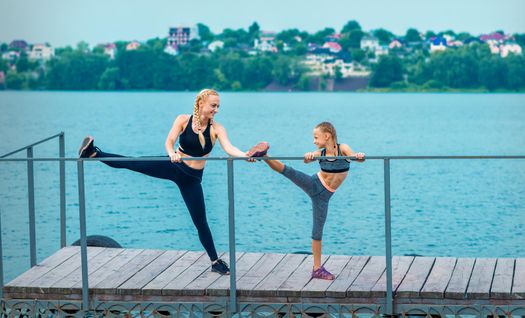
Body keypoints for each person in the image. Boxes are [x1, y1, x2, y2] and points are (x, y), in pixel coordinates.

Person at [78, 89, 268, 275]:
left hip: (192, 180)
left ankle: (214, 262)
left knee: (201, 222)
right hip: (173, 166)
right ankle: (94, 153)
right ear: (201, 103)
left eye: (218, 106)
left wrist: (245, 156)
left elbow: (229, 148)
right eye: (213, 105)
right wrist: (171, 154)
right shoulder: (183, 120)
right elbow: (169, 141)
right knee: (133, 162)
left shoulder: (217, 129)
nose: (216, 109)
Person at [262, 122, 365, 280]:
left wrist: (359, 156)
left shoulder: (342, 148)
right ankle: (264, 156)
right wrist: (309, 156)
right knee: (288, 171)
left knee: (317, 231)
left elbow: (356, 158)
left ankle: (316, 269)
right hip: (314, 184)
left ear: (327, 136)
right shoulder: (320, 153)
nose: (314, 140)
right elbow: (308, 159)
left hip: (323, 197)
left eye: (316, 137)